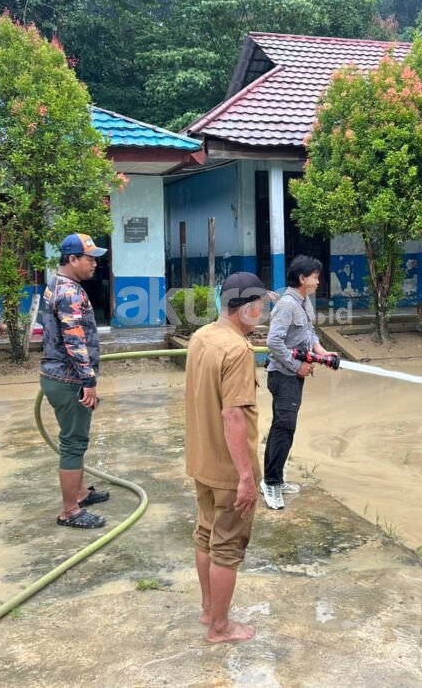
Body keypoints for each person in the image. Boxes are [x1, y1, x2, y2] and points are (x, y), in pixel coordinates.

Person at [185, 271, 269, 644]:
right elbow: (233, 415)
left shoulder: (202, 336)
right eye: (261, 307)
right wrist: (247, 478)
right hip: (227, 470)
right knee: (227, 546)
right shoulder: (237, 350)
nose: (262, 314)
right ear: (248, 308)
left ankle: (208, 609)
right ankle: (220, 627)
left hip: (201, 460)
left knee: (205, 534)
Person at [40, 233, 111, 529]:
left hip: (57, 375)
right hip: (69, 380)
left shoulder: (57, 283)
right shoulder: (70, 293)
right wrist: (88, 381)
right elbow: (75, 341)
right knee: (73, 444)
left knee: (76, 441)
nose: (95, 264)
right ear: (72, 260)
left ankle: (80, 494)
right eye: (89, 258)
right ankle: (70, 511)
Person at [262, 255, 338, 511]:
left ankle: (277, 479)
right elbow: (273, 342)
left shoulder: (305, 303)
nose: (318, 281)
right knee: (283, 426)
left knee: (286, 427)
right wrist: (297, 366)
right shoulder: (287, 305)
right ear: (302, 278)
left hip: (294, 376)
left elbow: (310, 334)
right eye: (315, 277)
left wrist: (322, 352)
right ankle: (270, 483)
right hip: (283, 375)